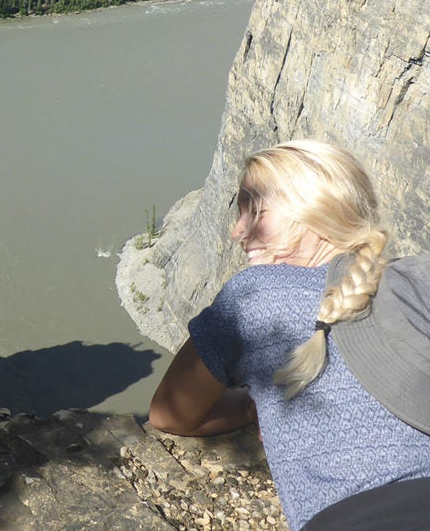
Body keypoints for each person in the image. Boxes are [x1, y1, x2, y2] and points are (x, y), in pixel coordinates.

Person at [149, 140, 430, 531]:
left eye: (256, 210)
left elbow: (168, 412)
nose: (237, 231)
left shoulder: (258, 293)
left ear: (315, 212)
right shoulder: (419, 281)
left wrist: (251, 408)